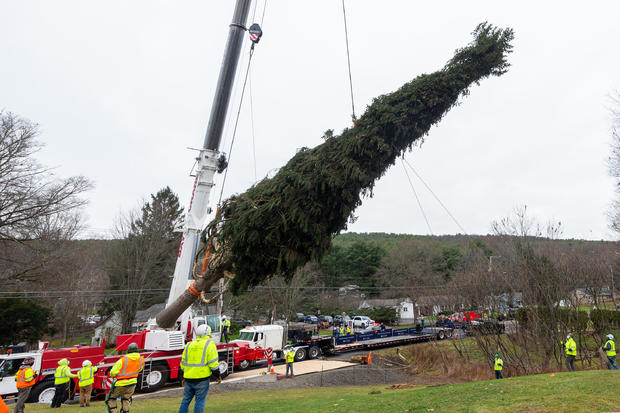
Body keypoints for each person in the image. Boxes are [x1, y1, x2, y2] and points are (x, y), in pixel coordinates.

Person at [178, 324, 220, 413]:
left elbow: (183, 363)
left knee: (185, 401)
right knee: (200, 401)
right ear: (208, 334)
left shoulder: (189, 345)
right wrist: (217, 376)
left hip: (188, 379)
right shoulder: (210, 344)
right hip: (202, 379)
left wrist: (182, 377)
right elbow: (213, 365)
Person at [105, 342, 145, 413]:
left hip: (120, 384)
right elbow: (140, 369)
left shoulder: (122, 360)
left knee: (111, 398)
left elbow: (113, 372)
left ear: (128, 350)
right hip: (132, 383)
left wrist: (113, 375)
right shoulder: (141, 359)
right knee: (126, 399)